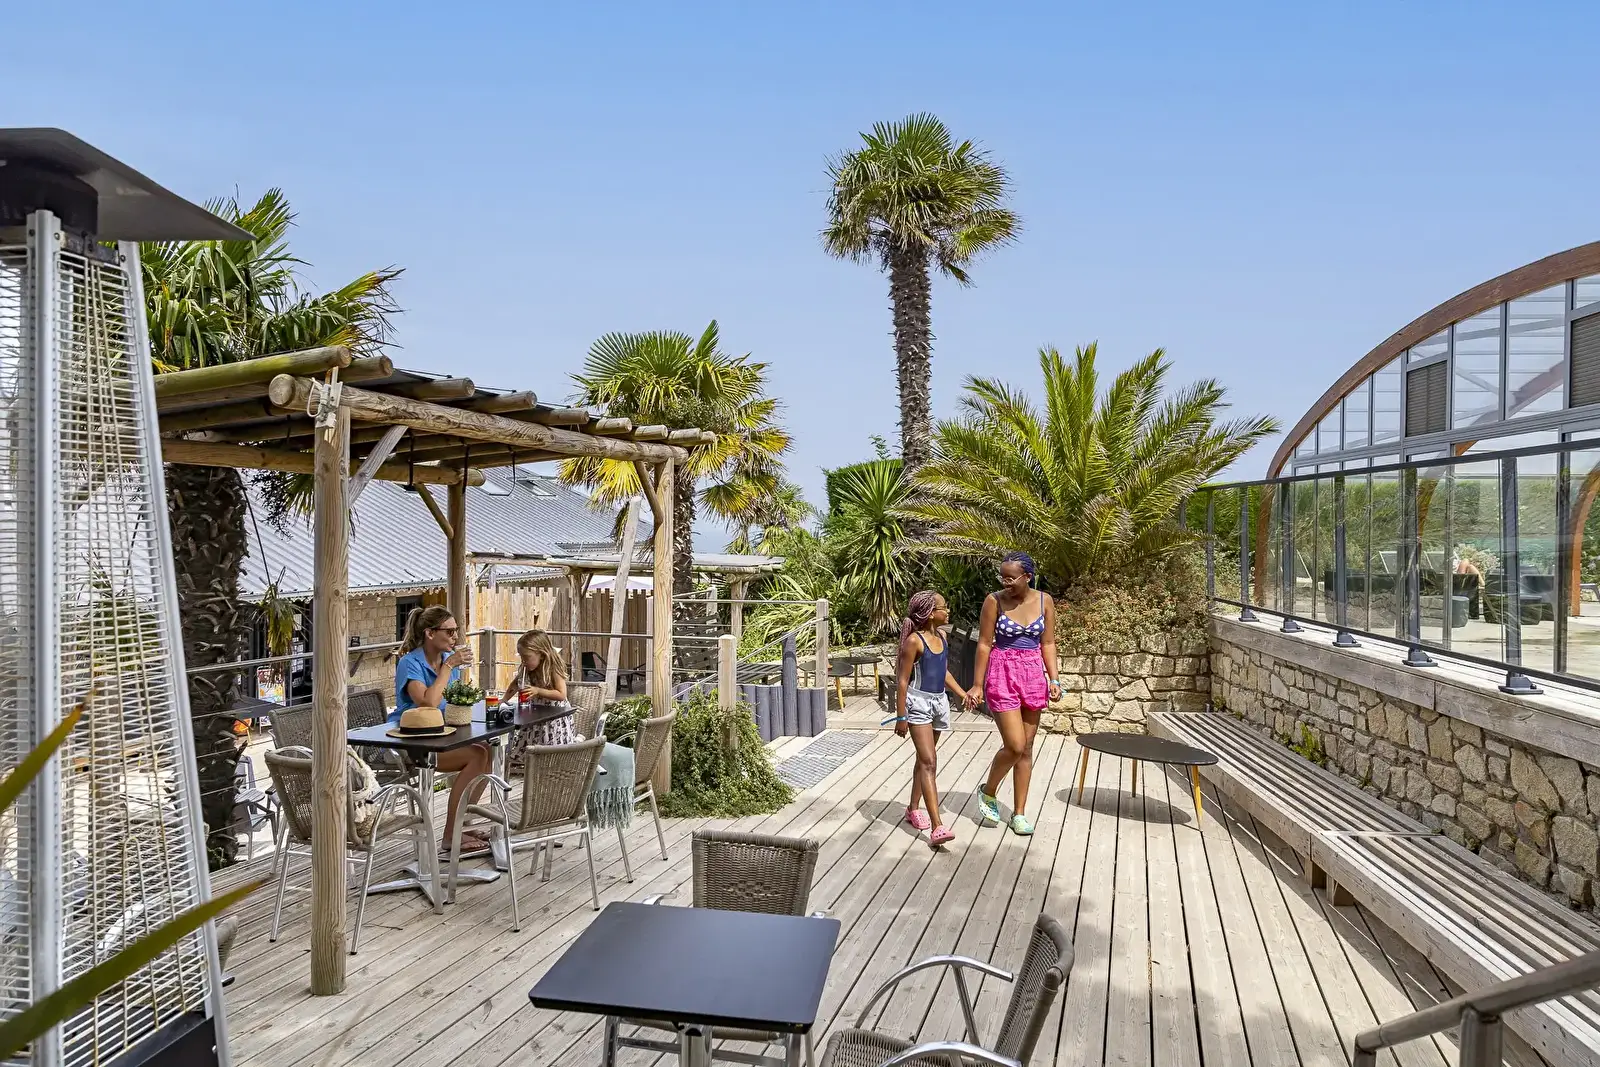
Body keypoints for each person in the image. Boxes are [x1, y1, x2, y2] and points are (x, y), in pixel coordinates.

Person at [971, 552, 1060, 835]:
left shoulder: (1045, 601)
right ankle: (989, 790)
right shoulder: (993, 601)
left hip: (1033, 674)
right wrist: (977, 684)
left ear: (1027, 577)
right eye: (1002, 577)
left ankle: (1019, 814)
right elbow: (984, 643)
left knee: (1027, 748)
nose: (1005, 582)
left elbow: (1048, 643)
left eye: (1011, 578)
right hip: (1002, 673)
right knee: (1015, 745)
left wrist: (1054, 679)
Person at [393, 606, 493, 855]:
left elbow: (451, 703)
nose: (455, 637)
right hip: (413, 742)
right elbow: (428, 703)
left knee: (487, 751)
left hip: (442, 735)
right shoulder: (410, 663)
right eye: (449, 632)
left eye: (456, 631)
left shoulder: (449, 662)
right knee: (478, 755)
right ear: (430, 633)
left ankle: (461, 825)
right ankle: (451, 835)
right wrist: (448, 666)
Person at [894, 591, 977, 848]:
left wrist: (962, 694)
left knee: (924, 760)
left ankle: (912, 808)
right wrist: (901, 716)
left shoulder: (942, 637)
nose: (947, 611)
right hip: (918, 705)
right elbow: (902, 681)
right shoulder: (914, 642)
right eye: (944, 607)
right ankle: (937, 826)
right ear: (931, 614)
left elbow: (943, 673)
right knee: (930, 762)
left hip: (939, 703)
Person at [504, 629, 575, 763]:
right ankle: (529, 765)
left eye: (527, 657)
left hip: (554, 718)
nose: (523, 661)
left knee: (548, 754)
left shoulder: (553, 668)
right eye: (521, 657)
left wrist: (538, 691)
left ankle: (548, 766)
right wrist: (503, 700)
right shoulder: (527, 668)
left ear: (541, 654)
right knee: (531, 750)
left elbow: (561, 694)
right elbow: (515, 684)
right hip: (535, 717)